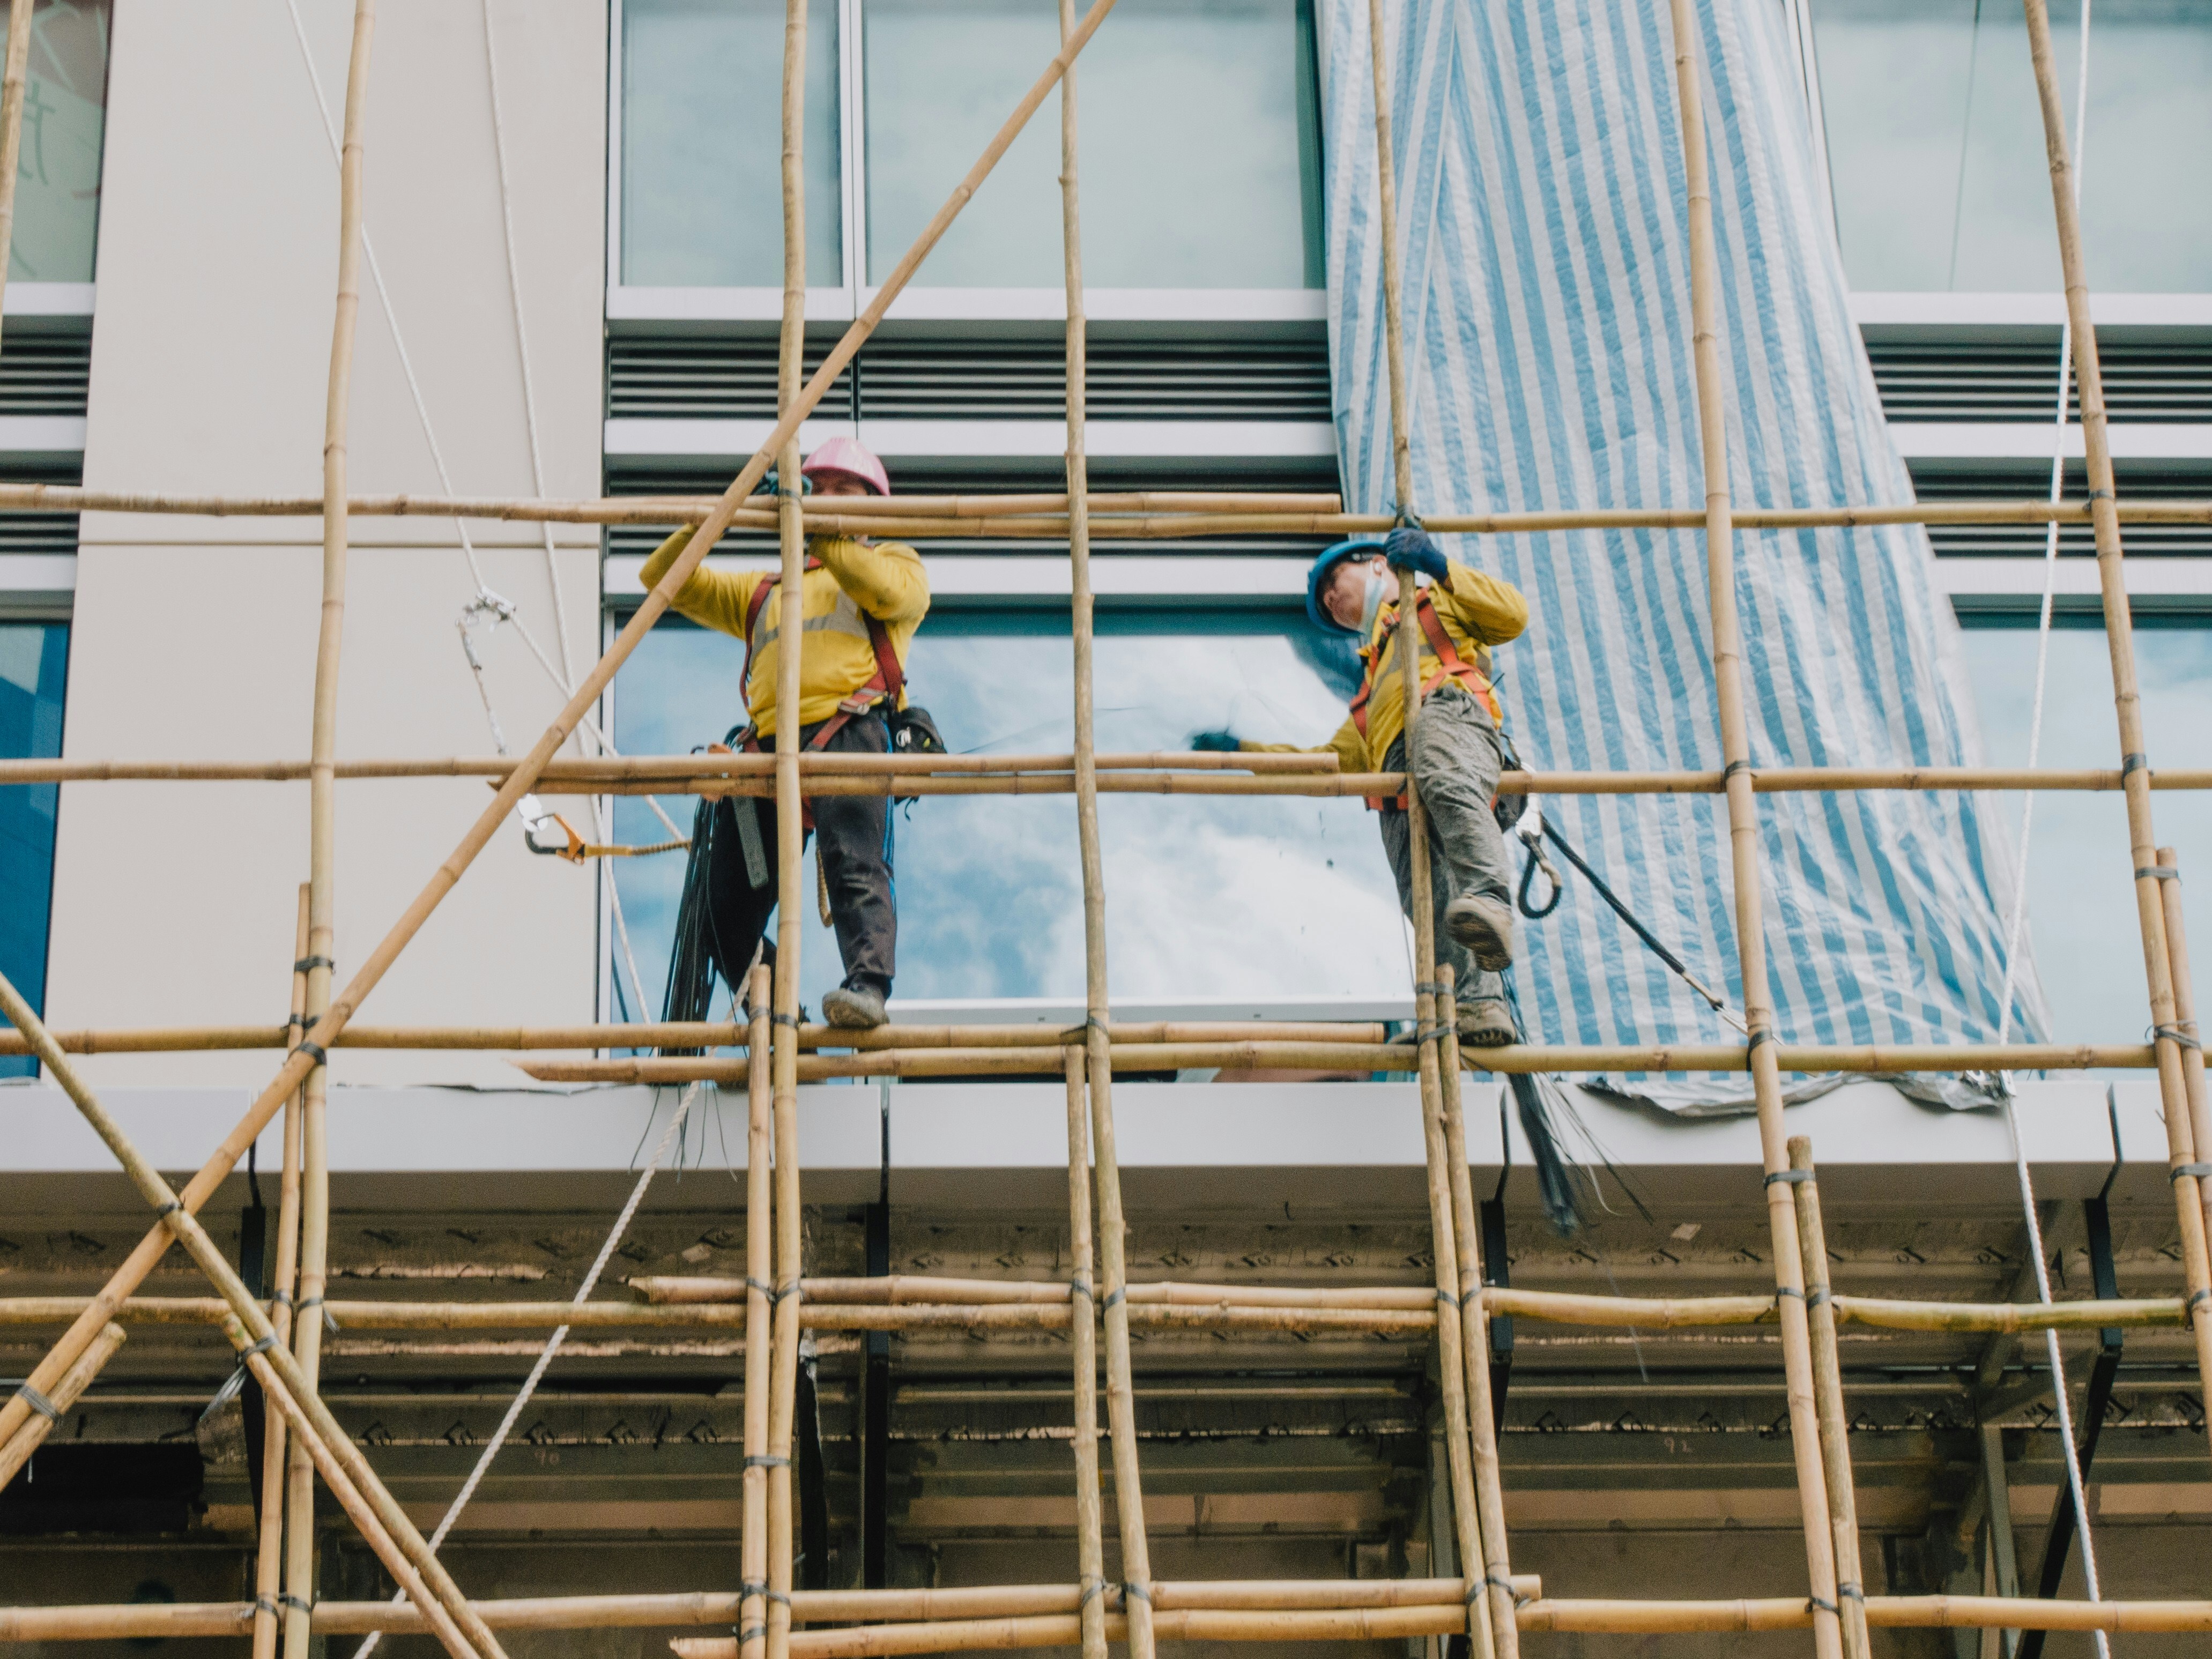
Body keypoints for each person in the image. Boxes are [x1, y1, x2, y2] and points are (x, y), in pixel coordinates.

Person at [1195, 525, 1530, 1046]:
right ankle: (1471, 1008)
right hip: (1400, 782)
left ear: (1376, 563)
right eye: (1325, 600)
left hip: (1448, 719)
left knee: (1442, 772)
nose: (1330, 600)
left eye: (1335, 579)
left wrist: (1439, 566)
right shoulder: (1372, 690)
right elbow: (1325, 766)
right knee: (1424, 891)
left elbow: (1511, 615)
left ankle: (1489, 893)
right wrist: (1239, 752)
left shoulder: (1435, 602)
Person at [642, 437, 926, 1029]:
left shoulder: (897, 565)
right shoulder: (766, 592)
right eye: (814, 492)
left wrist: (814, 525)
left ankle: (866, 988)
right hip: (766, 756)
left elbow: (885, 591)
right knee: (724, 907)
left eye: (841, 495)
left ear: (874, 510)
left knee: (854, 865)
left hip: (846, 733)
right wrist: (730, 503)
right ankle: (770, 1009)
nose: (821, 503)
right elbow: (662, 575)